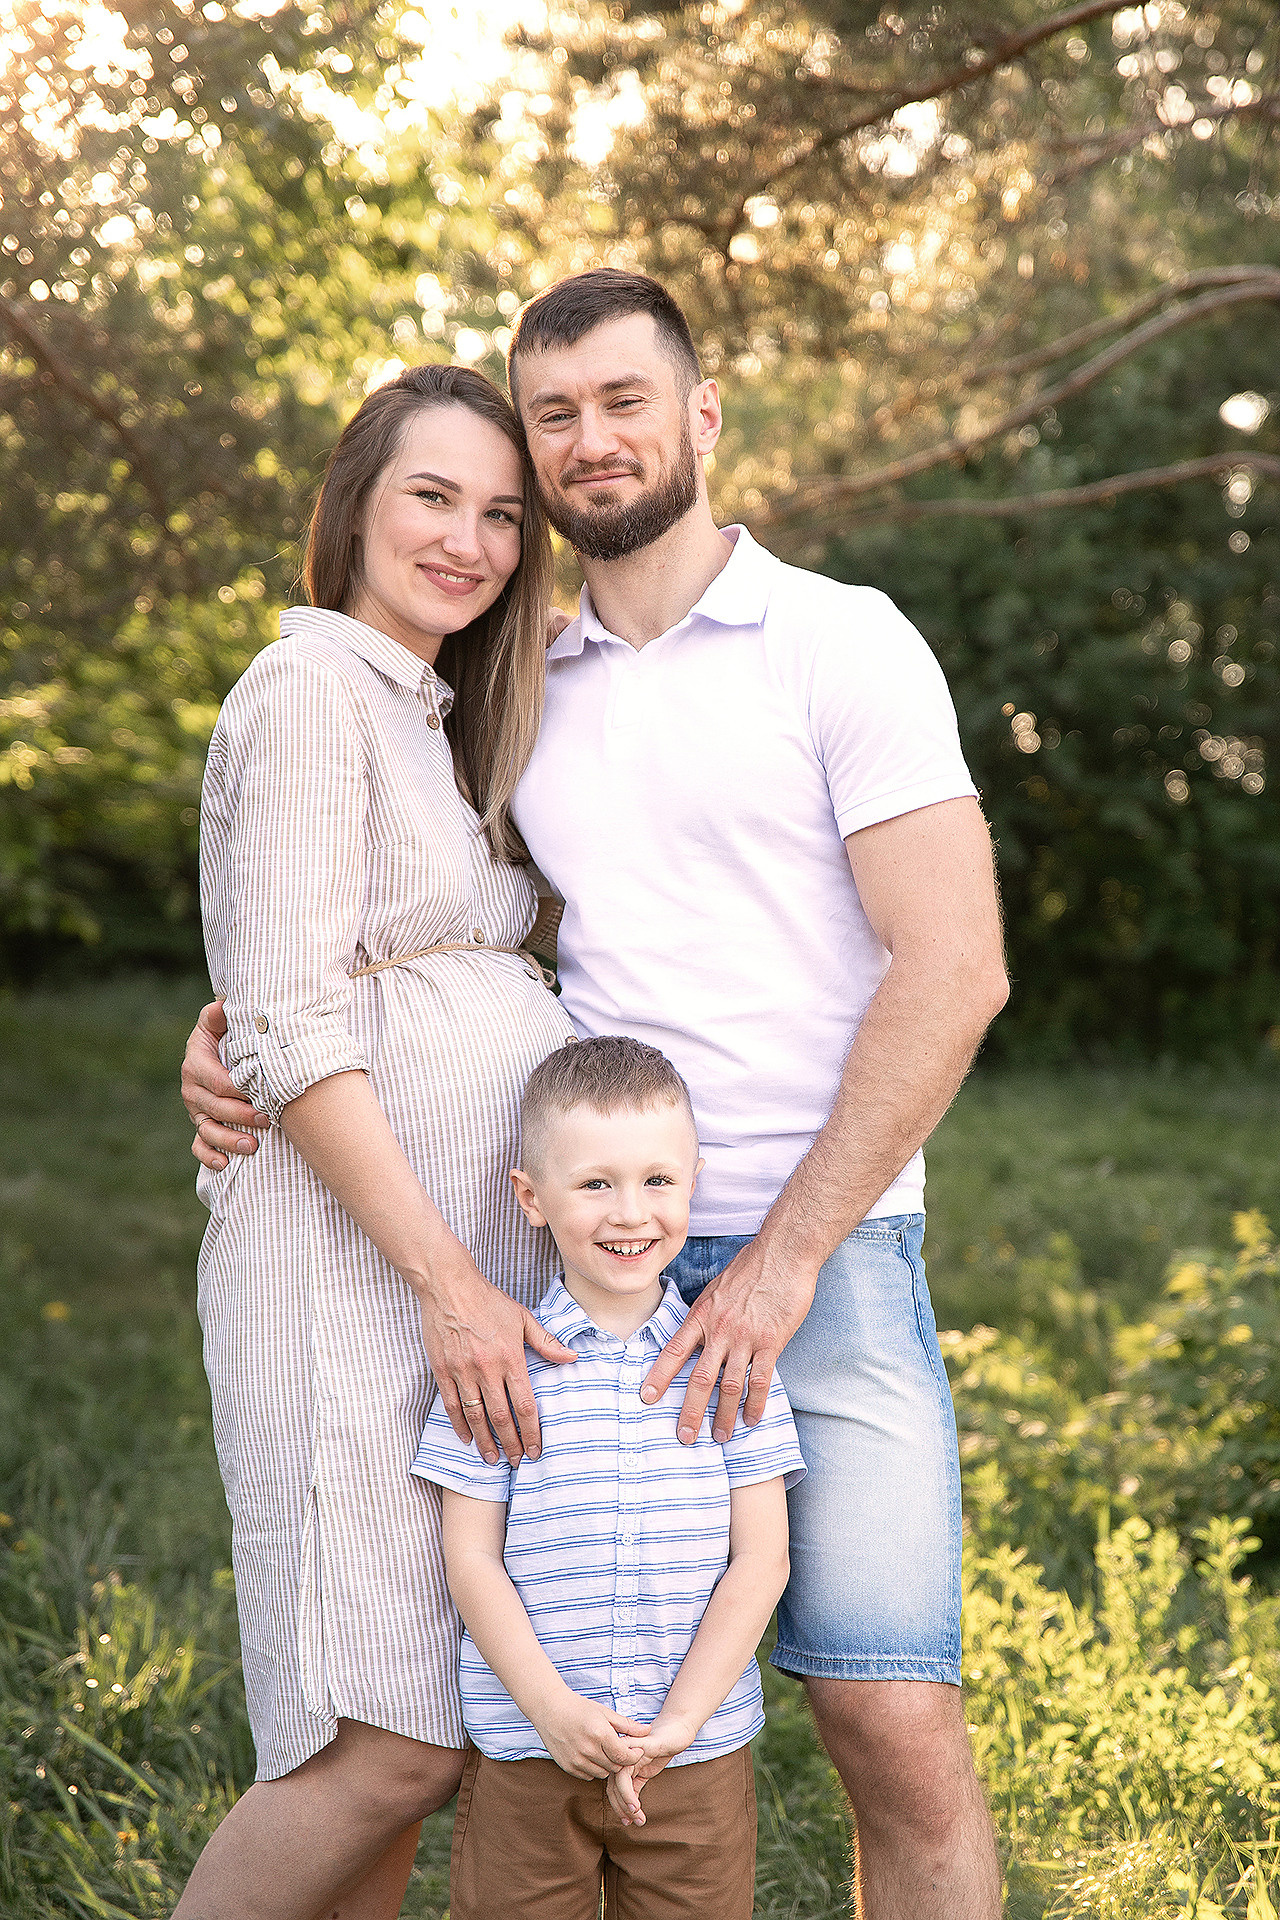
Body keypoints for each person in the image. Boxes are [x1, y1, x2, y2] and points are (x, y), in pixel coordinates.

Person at [185, 268, 1010, 1918]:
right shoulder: (516, 686)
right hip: (564, 1274)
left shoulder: (838, 640)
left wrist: (776, 1264)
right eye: (550, 416)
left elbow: (957, 969)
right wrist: (231, 1045)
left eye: (623, 401)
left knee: (886, 1714)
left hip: (816, 1257)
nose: (587, 442)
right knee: (456, 1719)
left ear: (702, 416)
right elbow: (387, 934)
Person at [174, 363, 583, 1920]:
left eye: (499, 513)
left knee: (411, 1744)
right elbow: (283, 1016)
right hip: (354, 1279)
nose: (470, 539)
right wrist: (450, 1285)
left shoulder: (429, 709)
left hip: (439, 1280)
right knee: (377, 1749)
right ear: (351, 503)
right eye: (433, 494)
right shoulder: (307, 690)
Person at [415, 1034, 804, 1920]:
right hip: (528, 1748)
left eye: (657, 1181)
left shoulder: (731, 1366)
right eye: (595, 1183)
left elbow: (761, 1563)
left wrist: (680, 1725)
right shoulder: (499, 1369)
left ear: (694, 1181)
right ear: (532, 1198)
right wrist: (550, 1710)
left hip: (694, 1758)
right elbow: (471, 1560)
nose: (630, 1212)